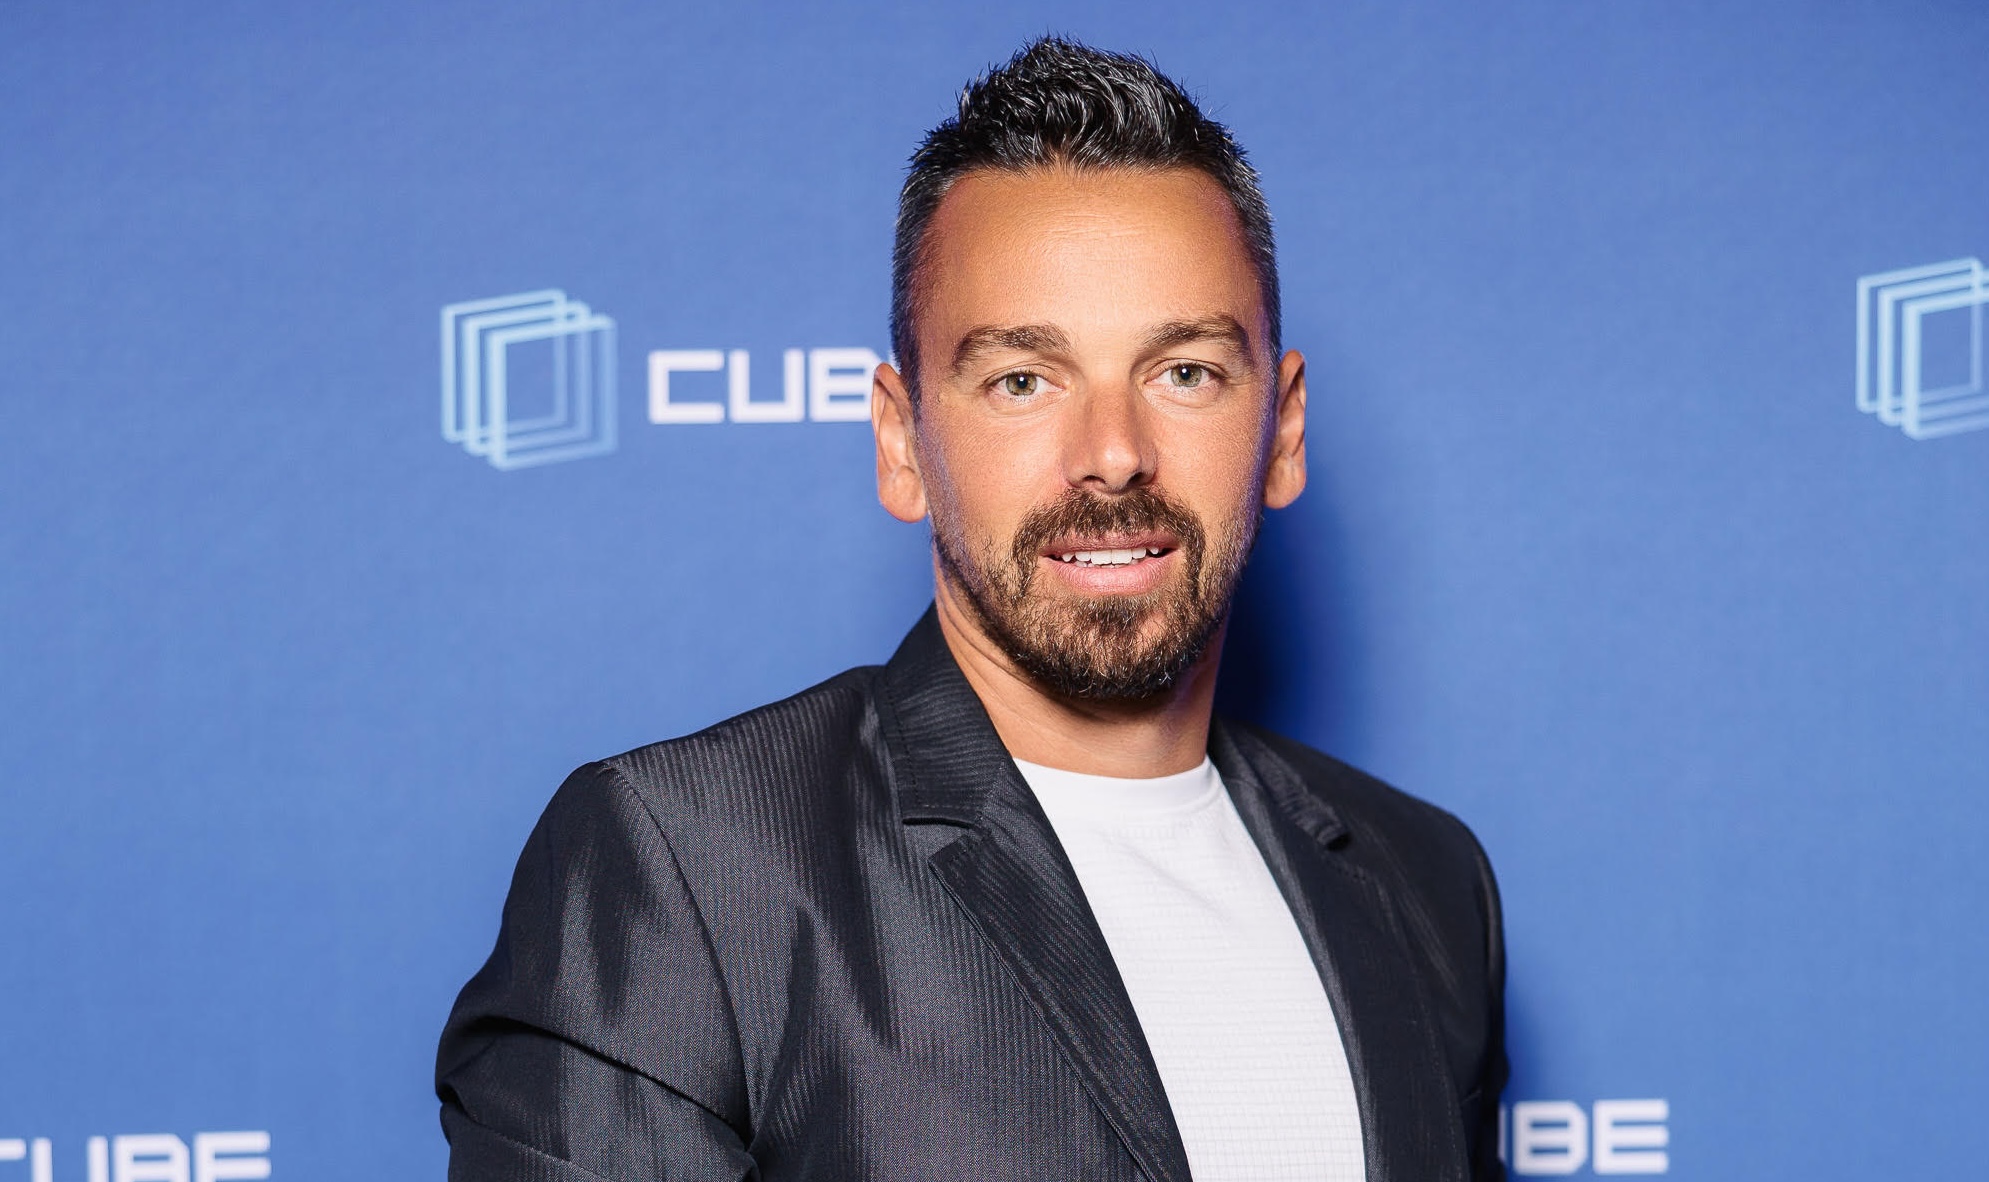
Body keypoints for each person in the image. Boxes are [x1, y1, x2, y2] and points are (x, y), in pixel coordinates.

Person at [437, 36, 1506, 1182]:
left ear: (1282, 431)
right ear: (902, 443)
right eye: (1022, 380)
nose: (1113, 454)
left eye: (1185, 372)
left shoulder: (1426, 883)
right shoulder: (686, 871)